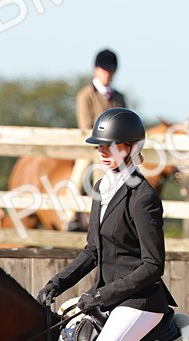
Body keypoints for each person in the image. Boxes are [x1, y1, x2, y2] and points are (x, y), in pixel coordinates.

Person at [36, 108, 175, 341]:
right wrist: (58, 282)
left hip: (143, 301)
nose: (101, 151)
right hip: (111, 298)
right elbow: (93, 251)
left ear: (130, 149)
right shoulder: (102, 188)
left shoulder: (143, 198)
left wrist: (98, 298)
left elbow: (152, 265)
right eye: (99, 145)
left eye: (109, 145)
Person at [67, 49, 126, 231]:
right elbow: (85, 125)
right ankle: (71, 217)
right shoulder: (85, 95)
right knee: (77, 178)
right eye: (103, 70)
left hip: (117, 149)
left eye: (110, 71)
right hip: (91, 148)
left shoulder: (119, 97)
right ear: (96, 70)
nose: (107, 74)